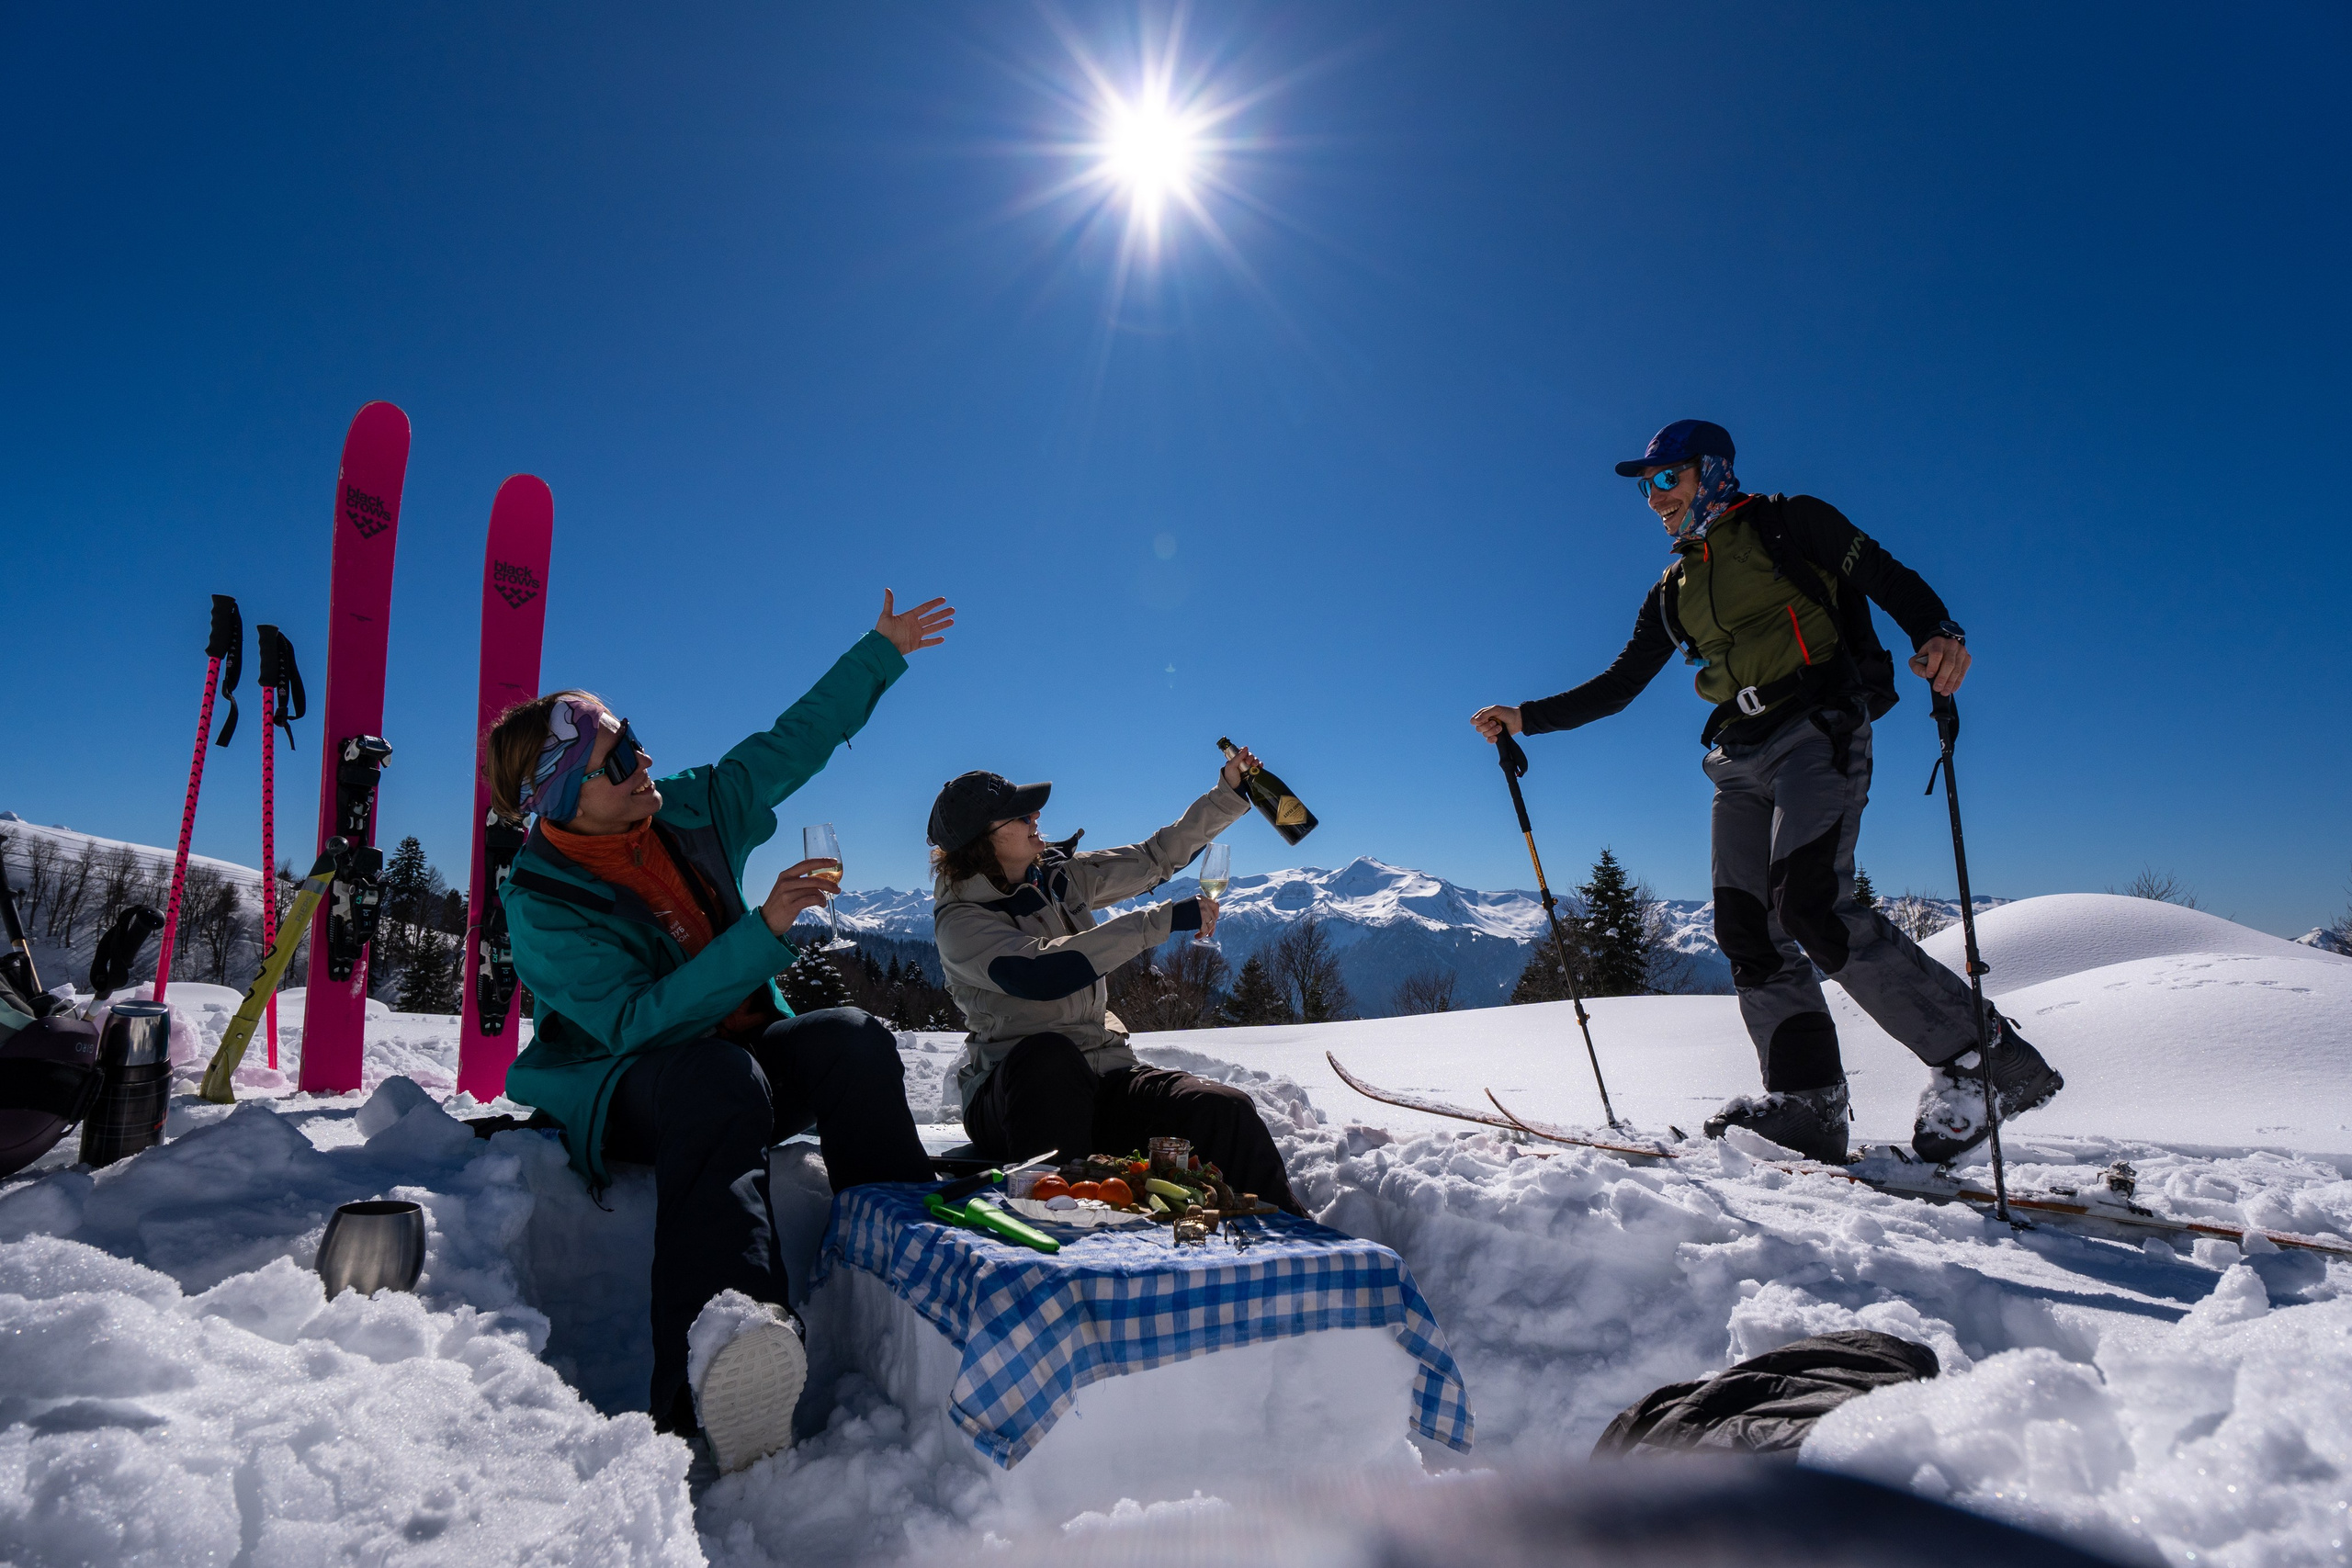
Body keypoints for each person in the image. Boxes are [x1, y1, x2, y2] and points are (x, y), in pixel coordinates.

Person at [1471, 420, 2061, 1166]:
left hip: (1819, 726)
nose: (1654, 500)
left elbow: (1884, 574)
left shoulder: (1790, 521)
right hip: (1736, 755)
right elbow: (1621, 685)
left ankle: (1987, 1061)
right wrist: (1528, 718)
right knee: (1748, 928)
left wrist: (1938, 631)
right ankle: (1810, 1102)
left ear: (1711, 472)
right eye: (1644, 488)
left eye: (1666, 480)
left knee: (1812, 901)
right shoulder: (1671, 590)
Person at [489, 591, 955, 1472]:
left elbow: (786, 746)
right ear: (562, 797)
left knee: (854, 1035)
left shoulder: (688, 808)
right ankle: (717, 1372)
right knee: (715, 1076)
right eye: (617, 754)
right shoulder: (541, 902)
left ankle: (917, 1274)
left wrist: (879, 653)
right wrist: (764, 931)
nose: (644, 757)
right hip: (632, 1088)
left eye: (634, 735)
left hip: (729, 1063)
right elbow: (633, 1025)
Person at [928, 756, 1304, 1212]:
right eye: (1022, 815)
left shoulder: (1057, 877)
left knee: (1222, 1109)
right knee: (1050, 1056)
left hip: (1101, 1074)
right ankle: (1062, 1229)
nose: (1036, 818)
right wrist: (1158, 922)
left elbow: (1153, 857)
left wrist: (1227, 794)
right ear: (983, 841)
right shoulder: (962, 922)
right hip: (1015, 1097)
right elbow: (1043, 973)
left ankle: (1290, 1233)